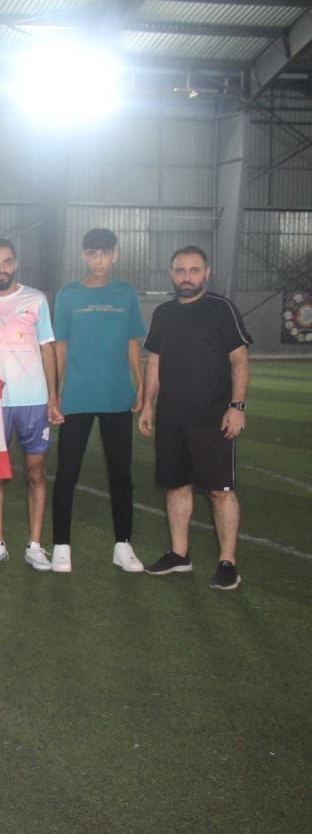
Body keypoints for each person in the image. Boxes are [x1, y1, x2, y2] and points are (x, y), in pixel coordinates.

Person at [138, 246, 251, 591]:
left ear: (207, 272)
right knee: (175, 486)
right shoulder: (163, 313)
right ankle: (179, 554)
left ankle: (227, 562)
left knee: (219, 491)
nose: (186, 277)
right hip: (171, 418)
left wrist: (237, 406)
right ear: (171, 274)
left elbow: (239, 361)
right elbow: (154, 362)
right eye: (180, 270)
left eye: (194, 270)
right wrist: (148, 405)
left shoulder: (221, 308)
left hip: (213, 419)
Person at [51, 228, 146, 574]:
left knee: (121, 473)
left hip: (117, 396)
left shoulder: (126, 293)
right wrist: (54, 393)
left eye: (105, 253)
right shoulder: (68, 295)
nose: (98, 260)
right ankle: (61, 546)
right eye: (92, 253)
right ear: (83, 255)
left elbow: (133, 343)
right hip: (77, 396)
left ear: (115, 255)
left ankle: (123, 545)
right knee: (67, 472)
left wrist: (140, 385)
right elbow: (60, 346)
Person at [0, 239, 60, 570]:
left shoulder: (35, 299)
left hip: (33, 400)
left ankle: (35, 545)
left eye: (7, 261)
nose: (1, 268)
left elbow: (48, 349)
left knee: (35, 472)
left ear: (16, 263)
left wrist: (53, 397)